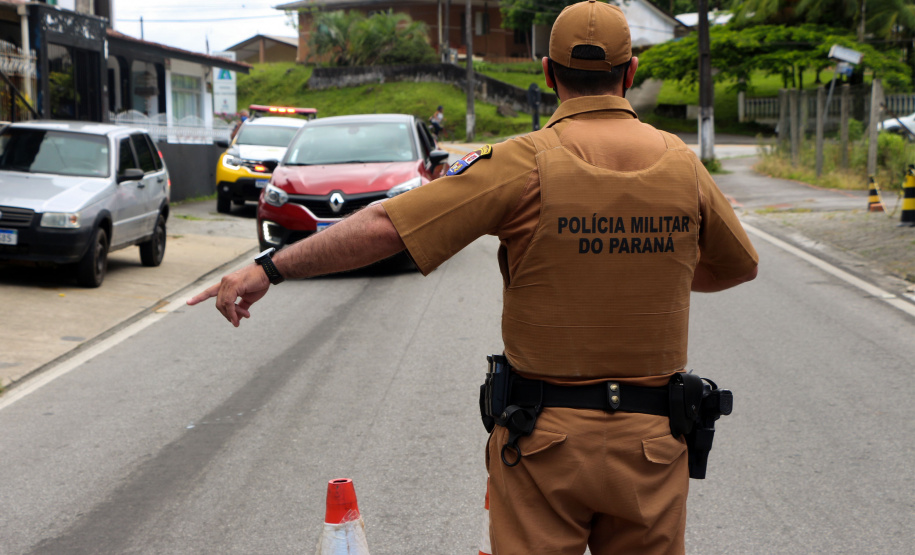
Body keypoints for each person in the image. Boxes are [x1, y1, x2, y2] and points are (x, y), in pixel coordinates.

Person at [187, 2, 759, 553]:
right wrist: (634, 265)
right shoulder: (683, 163)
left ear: (547, 74)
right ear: (631, 73)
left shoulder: (523, 161)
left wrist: (271, 267)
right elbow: (738, 264)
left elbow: (387, 226)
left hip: (546, 445)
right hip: (652, 446)